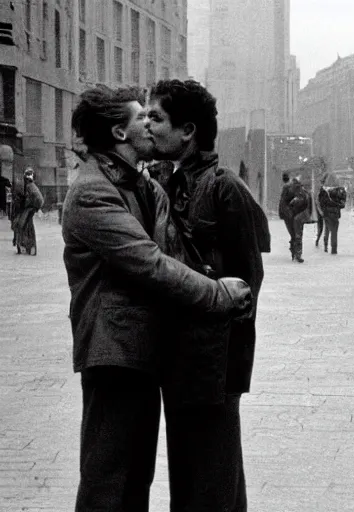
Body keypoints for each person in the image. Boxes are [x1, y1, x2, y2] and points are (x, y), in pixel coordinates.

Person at [65, 85, 254, 511]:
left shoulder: (142, 183)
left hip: (145, 354)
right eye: (142, 119)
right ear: (119, 133)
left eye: (155, 117)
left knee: (135, 480)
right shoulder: (93, 192)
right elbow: (152, 263)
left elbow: (178, 248)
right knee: (108, 480)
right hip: (112, 353)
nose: (149, 125)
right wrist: (218, 292)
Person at [146, 79, 271, 510]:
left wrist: (227, 360)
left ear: (188, 131)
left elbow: (248, 280)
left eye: (156, 117)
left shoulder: (224, 188)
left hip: (213, 359)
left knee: (212, 472)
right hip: (179, 353)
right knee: (192, 470)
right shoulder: (167, 182)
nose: (147, 125)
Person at [12, 168, 44, 255]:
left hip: (27, 209)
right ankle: (27, 247)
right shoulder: (28, 185)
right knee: (24, 226)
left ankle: (26, 247)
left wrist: (34, 207)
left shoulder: (30, 185)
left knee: (21, 226)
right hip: (25, 209)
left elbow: (39, 199)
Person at [285, 175, 311, 262]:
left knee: (295, 235)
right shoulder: (302, 191)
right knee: (298, 235)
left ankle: (295, 253)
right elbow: (304, 203)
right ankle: (297, 253)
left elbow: (288, 202)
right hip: (298, 215)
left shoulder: (292, 190)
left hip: (293, 215)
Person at [318, 182, 346, 255]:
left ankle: (325, 246)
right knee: (334, 233)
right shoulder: (339, 192)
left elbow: (321, 202)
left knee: (327, 229)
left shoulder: (325, 191)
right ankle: (333, 250)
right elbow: (342, 205)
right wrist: (337, 204)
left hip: (326, 214)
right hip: (334, 214)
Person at [278, 172, 294, 254]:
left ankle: (293, 248)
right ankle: (296, 250)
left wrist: (281, 213)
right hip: (294, 212)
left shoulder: (286, 187)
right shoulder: (293, 186)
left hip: (288, 213)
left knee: (292, 232)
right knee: (295, 232)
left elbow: (282, 201)